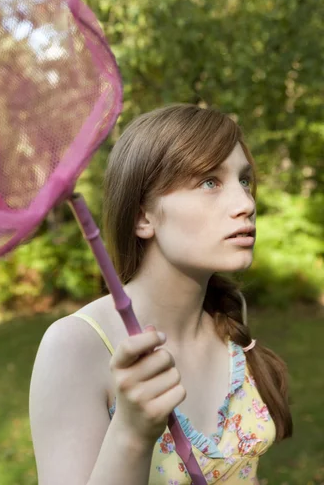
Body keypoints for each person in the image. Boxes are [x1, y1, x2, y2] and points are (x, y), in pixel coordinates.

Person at [29, 103, 293, 485]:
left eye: (245, 181)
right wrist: (131, 434)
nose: (246, 205)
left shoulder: (230, 322)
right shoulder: (76, 345)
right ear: (142, 216)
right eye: (209, 182)